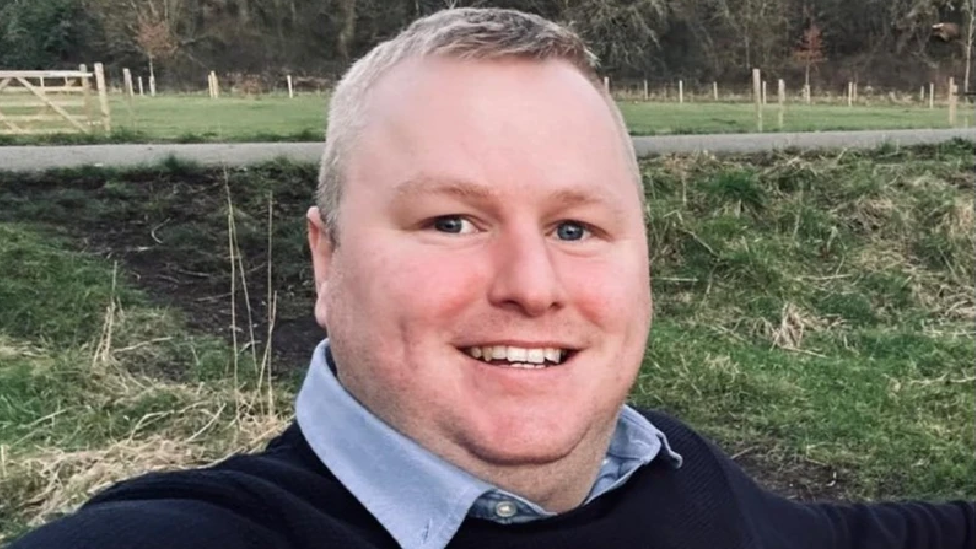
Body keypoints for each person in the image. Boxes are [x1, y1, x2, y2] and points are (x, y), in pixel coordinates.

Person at [9, 7, 973, 549]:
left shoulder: (663, 466)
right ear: (326, 258)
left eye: (576, 225)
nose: (530, 282)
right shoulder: (205, 536)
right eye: (451, 220)